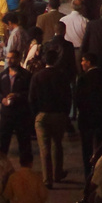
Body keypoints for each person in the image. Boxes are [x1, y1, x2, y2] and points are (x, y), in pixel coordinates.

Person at [29, 53, 71, 190]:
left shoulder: (38, 76)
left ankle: (47, 179)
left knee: (44, 148)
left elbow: (32, 98)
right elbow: (68, 96)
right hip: (58, 114)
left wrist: (36, 113)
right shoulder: (62, 76)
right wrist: (65, 113)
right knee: (57, 144)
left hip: (42, 114)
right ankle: (57, 173)